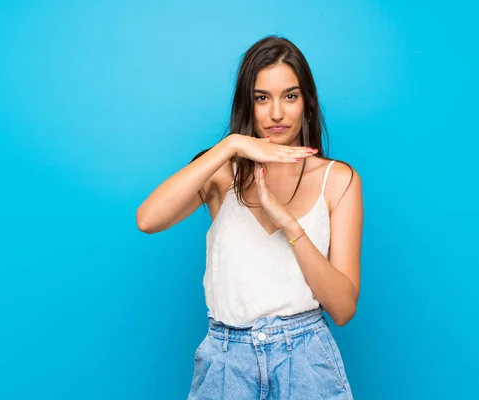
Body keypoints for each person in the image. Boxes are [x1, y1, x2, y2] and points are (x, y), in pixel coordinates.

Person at [136, 35, 363, 399]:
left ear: (307, 102)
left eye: (290, 96)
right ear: (248, 104)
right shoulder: (221, 173)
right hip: (226, 364)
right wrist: (231, 145)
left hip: (306, 362)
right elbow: (148, 219)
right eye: (262, 98)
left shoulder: (337, 180)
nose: (276, 113)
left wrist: (290, 225)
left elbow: (342, 308)